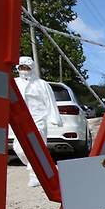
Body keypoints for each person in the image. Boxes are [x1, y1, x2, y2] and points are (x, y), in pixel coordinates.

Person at [12, 56, 62, 187]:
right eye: (21, 67)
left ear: (32, 68)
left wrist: (55, 118)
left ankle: (35, 175)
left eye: (27, 67)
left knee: (38, 148)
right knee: (19, 148)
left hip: (38, 119)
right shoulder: (14, 83)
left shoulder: (42, 84)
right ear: (18, 68)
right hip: (20, 120)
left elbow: (50, 101)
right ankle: (33, 165)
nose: (24, 70)